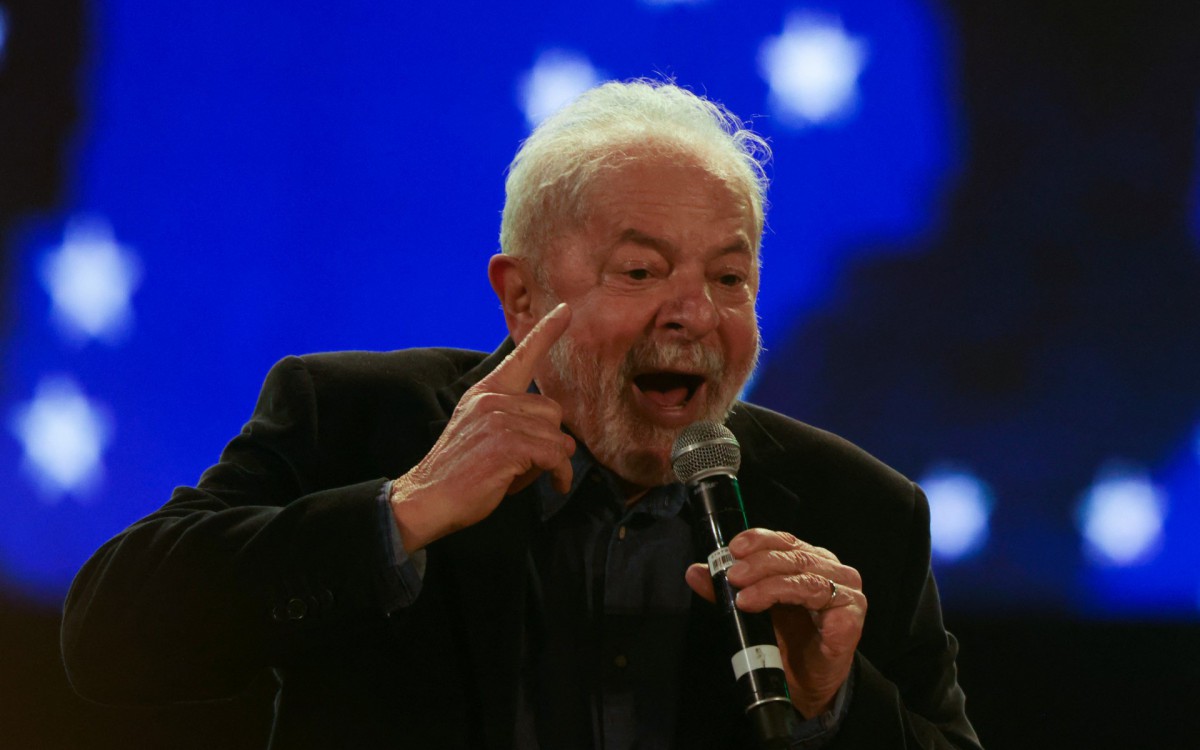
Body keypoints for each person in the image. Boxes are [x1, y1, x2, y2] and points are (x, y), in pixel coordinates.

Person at [61, 80, 982, 749]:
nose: (695, 315)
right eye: (640, 270)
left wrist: (834, 704)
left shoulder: (857, 512)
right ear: (522, 297)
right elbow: (111, 642)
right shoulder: (355, 423)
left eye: (729, 278)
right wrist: (400, 513)